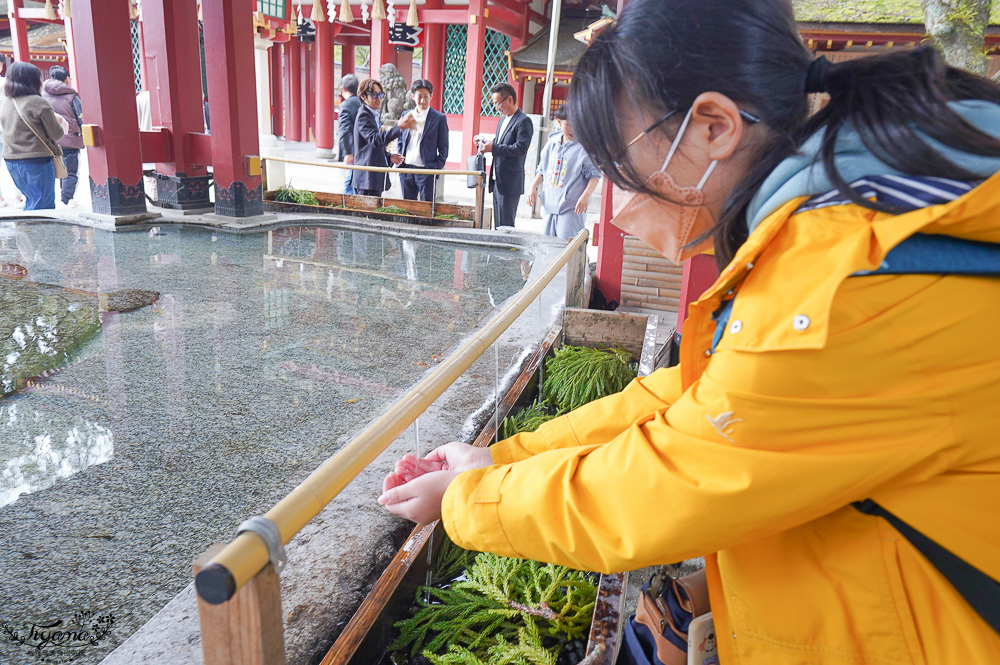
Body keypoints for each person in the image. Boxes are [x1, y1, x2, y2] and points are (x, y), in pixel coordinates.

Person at [378, 0, 1000, 662]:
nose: (606, 206)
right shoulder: (852, 213)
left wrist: (469, 498)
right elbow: (694, 399)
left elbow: (659, 485)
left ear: (714, 127)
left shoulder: (848, 286)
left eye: (619, 171)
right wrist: (502, 458)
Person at [527, 105, 601, 240]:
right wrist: (533, 186)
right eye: (568, 124)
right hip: (550, 206)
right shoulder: (551, 144)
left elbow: (594, 175)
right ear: (559, 122)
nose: (573, 129)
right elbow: (543, 169)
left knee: (567, 249)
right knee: (547, 248)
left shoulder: (585, 148)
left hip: (571, 208)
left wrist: (586, 195)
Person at [0, 62, 65, 210]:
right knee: (42, 206)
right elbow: (57, 134)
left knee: (32, 201)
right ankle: (37, 233)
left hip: (12, 161)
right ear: (32, 80)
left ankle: (29, 232)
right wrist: (59, 122)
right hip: (36, 161)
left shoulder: (8, 102)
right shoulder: (38, 102)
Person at [476, 82, 533, 228]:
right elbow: (500, 143)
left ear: (509, 99)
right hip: (497, 180)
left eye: (497, 103)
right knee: (497, 225)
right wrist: (485, 143)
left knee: (506, 227)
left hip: (510, 182)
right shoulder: (502, 120)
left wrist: (493, 147)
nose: (496, 108)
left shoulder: (523, 121)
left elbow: (520, 149)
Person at [350, 78, 414, 198]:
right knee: (366, 214)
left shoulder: (372, 114)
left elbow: (371, 146)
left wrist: (388, 157)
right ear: (363, 97)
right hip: (366, 179)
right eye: (374, 95)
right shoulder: (364, 115)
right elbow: (375, 140)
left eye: (381, 94)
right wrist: (398, 128)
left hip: (372, 177)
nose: (379, 98)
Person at [396, 79, 449, 202]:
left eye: (426, 96)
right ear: (413, 96)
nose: (422, 101)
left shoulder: (439, 118)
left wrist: (436, 166)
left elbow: (444, 146)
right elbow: (400, 139)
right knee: (408, 206)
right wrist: (400, 160)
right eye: (419, 96)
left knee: (427, 207)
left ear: (431, 96)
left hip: (426, 170)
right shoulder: (406, 114)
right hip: (406, 168)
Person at [41, 65, 83, 208]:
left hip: (50, 139)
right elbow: (81, 116)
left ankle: (57, 198)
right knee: (70, 171)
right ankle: (66, 199)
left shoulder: (42, 94)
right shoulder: (72, 95)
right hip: (70, 139)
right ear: (66, 79)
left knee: (56, 167)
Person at [337, 74, 361, 195]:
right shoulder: (363, 103)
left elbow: (345, 130)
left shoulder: (346, 105)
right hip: (363, 150)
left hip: (354, 150)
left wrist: (348, 152)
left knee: (350, 183)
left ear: (343, 89)